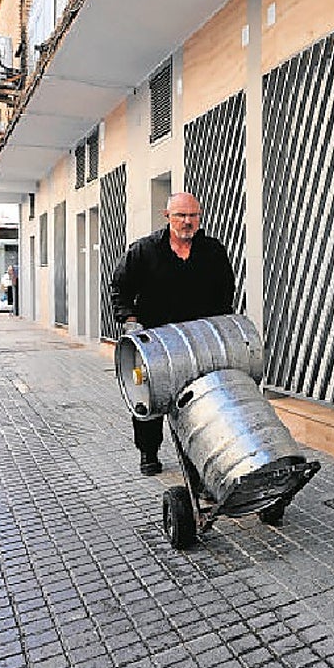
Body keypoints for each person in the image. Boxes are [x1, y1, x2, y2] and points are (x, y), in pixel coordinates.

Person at [110, 192, 235, 475]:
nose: (187, 221)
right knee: (149, 396)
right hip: (153, 340)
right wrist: (130, 321)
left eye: (193, 215)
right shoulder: (143, 251)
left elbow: (226, 290)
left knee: (200, 399)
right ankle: (148, 452)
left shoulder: (213, 250)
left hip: (198, 340)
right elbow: (120, 288)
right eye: (181, 215)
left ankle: (198, 455)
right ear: (167, 217)